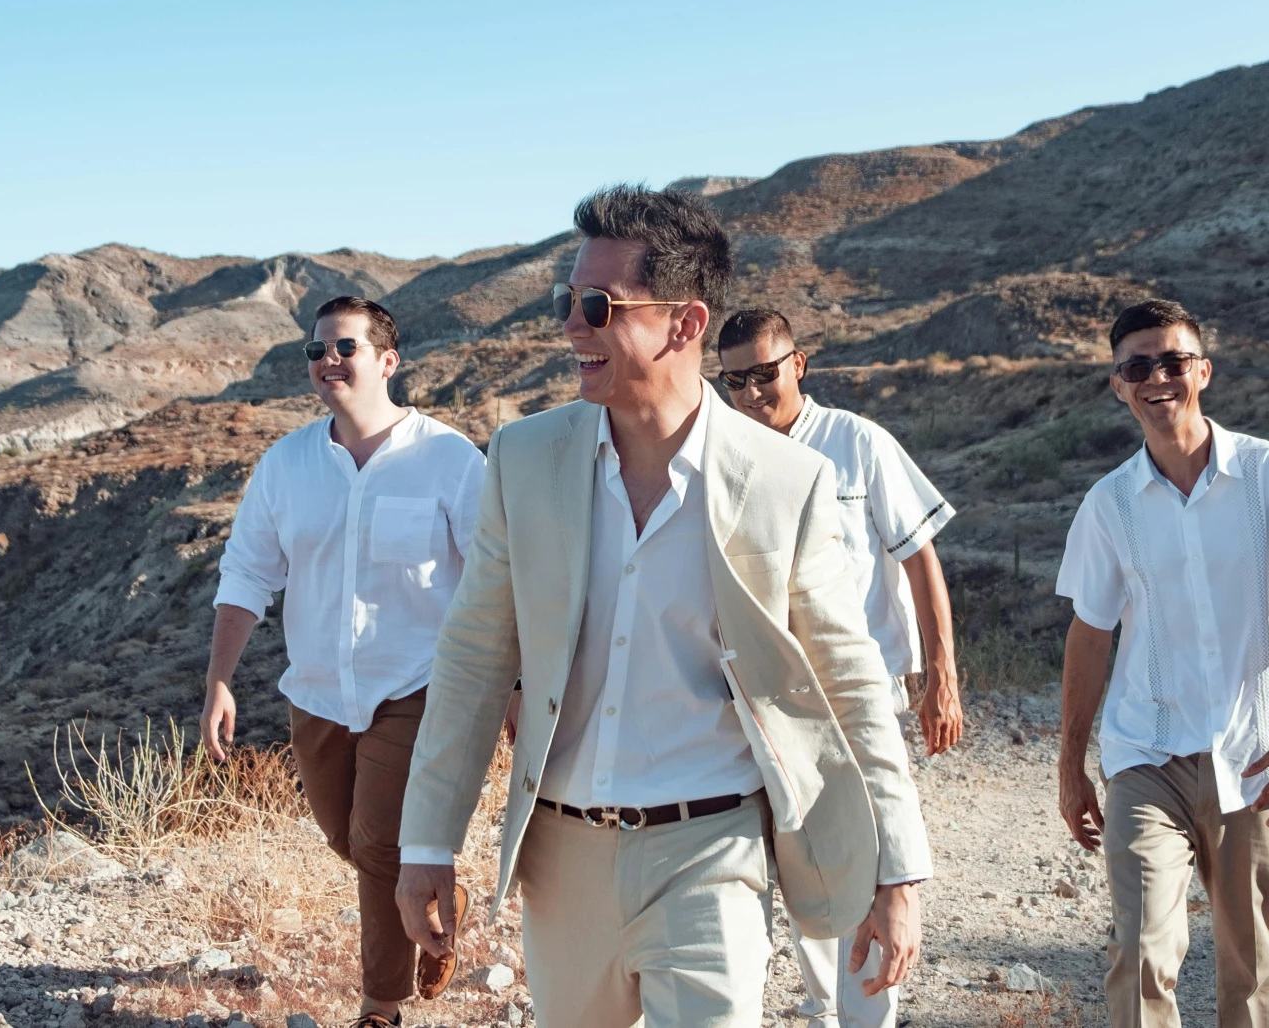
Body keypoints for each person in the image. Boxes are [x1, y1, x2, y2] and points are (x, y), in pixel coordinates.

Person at [394, 185, 931, 1028]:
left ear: (684, 323)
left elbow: (851, 681)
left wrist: (897, 870)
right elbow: (471, 657)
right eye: (566, 302)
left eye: (597, 305)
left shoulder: (789, 482)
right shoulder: (523, 461)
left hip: (712, 848)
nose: (572, 326)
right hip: (559, 857)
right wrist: (427, 844)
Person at [1055, 298, 1269, 1028]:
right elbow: (1089, 634)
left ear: (1202, 371)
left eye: (1171, 361)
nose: (1157, 377)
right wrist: (1071, 765)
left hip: (1256, 756)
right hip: (1146, 756)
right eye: (1138, 366)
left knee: (1250, 962)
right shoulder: (1108, 505)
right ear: (1117, 385)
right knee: (1137, 950)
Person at [202, 296, 487, 1028]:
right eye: (316, 350)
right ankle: (436, 898)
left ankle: (378, 1006)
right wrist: (219, 681)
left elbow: (496, 575)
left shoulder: (447, 458)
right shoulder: (286, 464)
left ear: (387, 362)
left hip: (417, 686)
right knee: (349, 841)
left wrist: (511, 682)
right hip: (320, 693)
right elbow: (246, 573)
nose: (326, 360)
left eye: (344, 348)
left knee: (378, 843)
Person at [717, 306, 962, 1027]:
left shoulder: (858, 443)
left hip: (862, 694)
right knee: (796, 868)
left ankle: (868, 1016)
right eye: (734, 381)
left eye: (765, 373)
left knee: (868, 860)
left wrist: (940, 673)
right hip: (767, 697)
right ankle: (822, 1008)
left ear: (799, 363)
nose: (753, 393)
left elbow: (918, 556)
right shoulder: (725, 454)